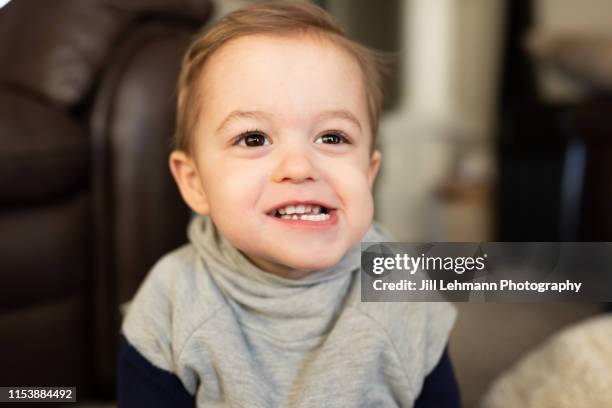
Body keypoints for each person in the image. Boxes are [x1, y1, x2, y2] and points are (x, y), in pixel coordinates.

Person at [118, 1, 459, 406]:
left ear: (368, 174)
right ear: (196, 184)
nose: (299, 168)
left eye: (332, 137)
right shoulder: (172, 302)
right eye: (253, 138)